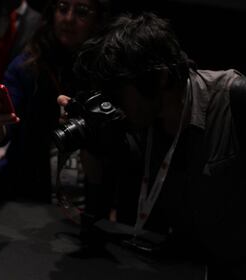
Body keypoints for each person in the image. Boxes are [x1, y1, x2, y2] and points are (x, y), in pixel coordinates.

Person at [59, 12, 246, 279]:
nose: (114, 104)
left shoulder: (234, 101)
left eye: (118, 91)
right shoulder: (141, 119)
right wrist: (89, 134)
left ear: (160, 78)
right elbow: (98, 181)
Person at [0, 0, 111, 202]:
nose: (69, 19)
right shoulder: (27, 65)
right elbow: (0, 135)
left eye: (81, 12)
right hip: (28, 188)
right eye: (62, 8)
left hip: (91, 192)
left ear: (97, 20)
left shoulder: (107, 70)